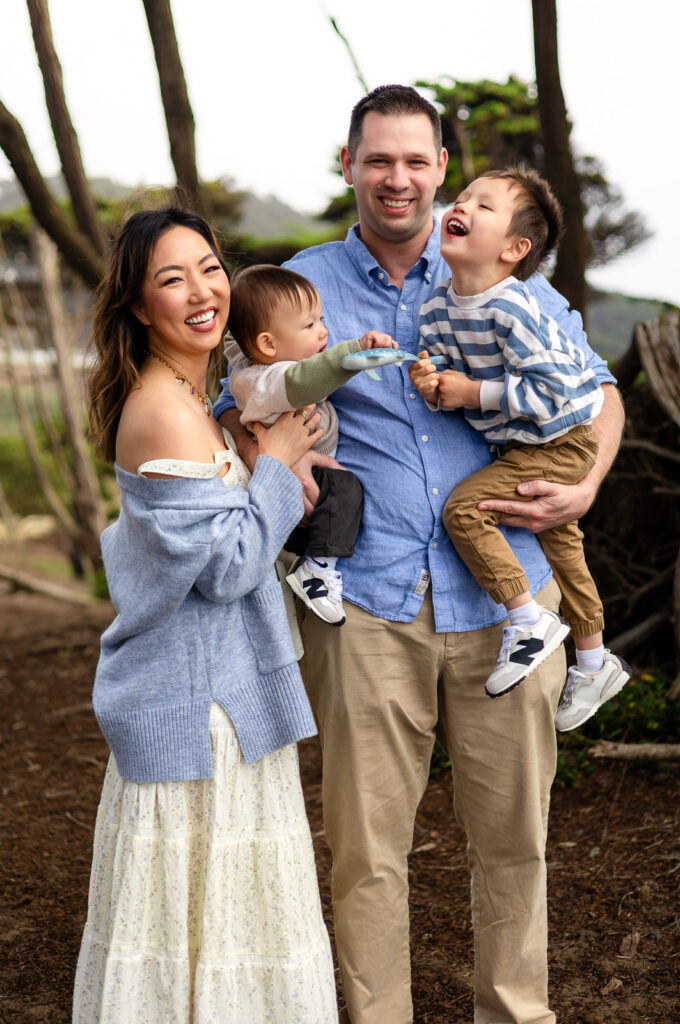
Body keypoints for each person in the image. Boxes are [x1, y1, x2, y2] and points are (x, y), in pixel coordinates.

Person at [215, 85, 625, 1024]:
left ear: (441, 169)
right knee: (365, 852)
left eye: (415, 160)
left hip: (508, 597)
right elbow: (236, 404)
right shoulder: (297, 283)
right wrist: (276, 463)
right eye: (377, 160)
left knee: (515, 842)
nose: (396, 178)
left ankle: (515, 1013)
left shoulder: (500, 273)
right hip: (362, 606)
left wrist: (588, 481)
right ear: (350, 165)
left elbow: (597, 390)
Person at [72, 207, 338, 1024]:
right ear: (139, 306)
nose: (202, 291)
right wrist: (278, 467)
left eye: (210, 267)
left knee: (228, 929)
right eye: (171, 278)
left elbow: (226, 542)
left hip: (221, 697)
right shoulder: (163, 410)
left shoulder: (198, 399)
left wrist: (269, 470)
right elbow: (226, 569)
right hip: (198, 714)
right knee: (203, 930)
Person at [408, 166, 630, 726]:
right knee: (564, 549)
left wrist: (469, 391)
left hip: (563, 438)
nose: (461, 206)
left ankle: (527, 620)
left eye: (484, 206)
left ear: (514, 248)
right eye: (461, 198)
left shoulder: (514, 307)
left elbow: (554, 390)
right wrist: (434, 384)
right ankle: (594, 659)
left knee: (465, 510)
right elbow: (447, 381)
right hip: (524, 445)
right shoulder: (436, 307)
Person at [225, 263, 396, 626]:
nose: (324, 331)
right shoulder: (267, 379)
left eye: (321, 320)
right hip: (295, 479)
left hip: (304, 476)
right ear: (267, 344)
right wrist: (355, 352)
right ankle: (318, 570)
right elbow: (307, 381)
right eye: (310, 325)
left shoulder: (264, 365)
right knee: (346, 489)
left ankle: (311, 563)